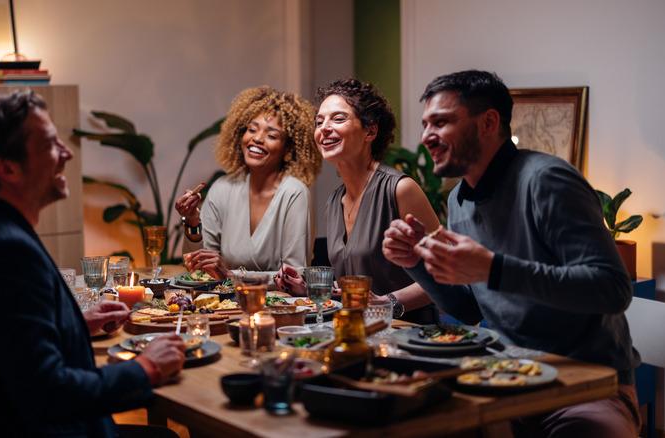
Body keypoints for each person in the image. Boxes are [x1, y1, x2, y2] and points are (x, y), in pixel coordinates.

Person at [382, 70, 640, 437]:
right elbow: (470, 308)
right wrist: (417, 263)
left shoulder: (546, 180)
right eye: (425, 124)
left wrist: (493, 268)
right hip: (507, 377)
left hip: (587, 384)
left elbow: (612, 288)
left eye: (441, 122)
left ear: (488, 122)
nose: (426, 137)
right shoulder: (459, 200)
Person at [0, 91, 185, 437]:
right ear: (7, 168)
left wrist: (72, 325)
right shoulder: (6, 252)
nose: (66, 152)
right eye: (50, 144)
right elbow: (46, 392)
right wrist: (146, 368)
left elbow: (1, 345)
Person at [277, 79, 441, 323]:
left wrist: (389, 303)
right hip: (356, 333)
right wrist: (310, 289)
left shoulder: (400, 189)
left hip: (410, 335)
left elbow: (443, 273)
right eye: (319, 122)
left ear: (370, 131)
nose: (324, 128)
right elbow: (354, 290)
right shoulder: (334, 202)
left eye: (338, 119)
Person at [176, 86, 322, 280]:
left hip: (276, 306)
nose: (257, 138)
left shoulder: (294, 193)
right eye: (251, 129)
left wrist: (231, 275)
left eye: (271, 135)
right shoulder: (222, 188)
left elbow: (294, 275)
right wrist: (192, 221)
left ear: (288, 150)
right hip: (222, 306)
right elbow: (199, 268)